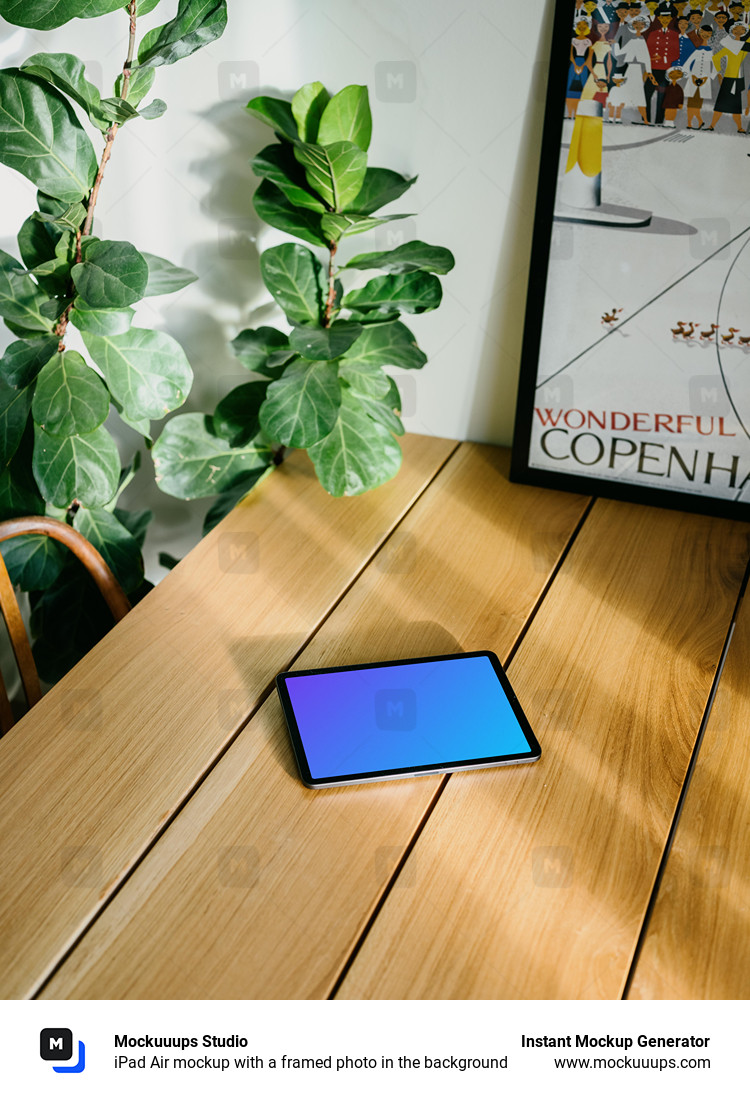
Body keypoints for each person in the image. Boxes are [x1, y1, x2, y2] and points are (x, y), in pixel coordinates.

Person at [709, 20, 749, 130]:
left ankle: (740, 127)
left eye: (742, 29)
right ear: (732, 31)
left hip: (737, 79)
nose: (739, 31)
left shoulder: (743, 46)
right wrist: (719, 72)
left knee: (736, 105)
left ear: (745, 32)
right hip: (728, 78)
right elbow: (716, 57)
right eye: (736, 29)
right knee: (721, 103)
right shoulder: (729, 46)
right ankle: (712, 125)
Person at [646, 5, 681, 121]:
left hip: (665, 69)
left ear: (671, 18)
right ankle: (646, 119)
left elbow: (676, 54)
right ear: (659, 18)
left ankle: (659, 120)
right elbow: (648, 50)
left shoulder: (674, 35)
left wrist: (663, 58)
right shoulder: (653, 34)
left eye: (667, 17)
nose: (665, 19)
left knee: (662, 96)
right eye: (662, 17)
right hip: (653, 68)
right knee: (647, 93)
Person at [617, 15, 655, 121]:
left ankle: (645, 120)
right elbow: (620, 52)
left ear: (644, 26)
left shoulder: (642, 40)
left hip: (638, 70)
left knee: (639, 94)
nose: (638, 26)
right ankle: (618, 117)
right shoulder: (632, 40)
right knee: (625, 91)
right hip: (629, 69)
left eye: (641, 25)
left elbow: (646, 58)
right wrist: (615, 44)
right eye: (636, 24)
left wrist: (649, 72)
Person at [682, 24, 716, 126]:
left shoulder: (711, 51)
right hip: (694, 75)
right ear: (700, 33)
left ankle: (697, 121)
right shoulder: (695, 49)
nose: (705, 35)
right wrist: (687, 74)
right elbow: (688, 62)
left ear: (711, 35)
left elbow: (715, 65)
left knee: (698, 100)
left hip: (705, 77)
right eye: (703, 33)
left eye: (708, 33)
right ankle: (690, 122)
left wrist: (711, 76)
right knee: (691, 100)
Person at [568, 20, 594, 117]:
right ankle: (570, 112)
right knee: (569, 83)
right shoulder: (573, 40)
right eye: (580, 27)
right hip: (574, 62)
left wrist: (582, 66)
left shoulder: (588, 41)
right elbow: (570, 55)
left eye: (584, 27)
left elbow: (589, 56)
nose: (582, 29)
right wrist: (575, 65)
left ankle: (581, 111)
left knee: (584, 85)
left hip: (583, 62)